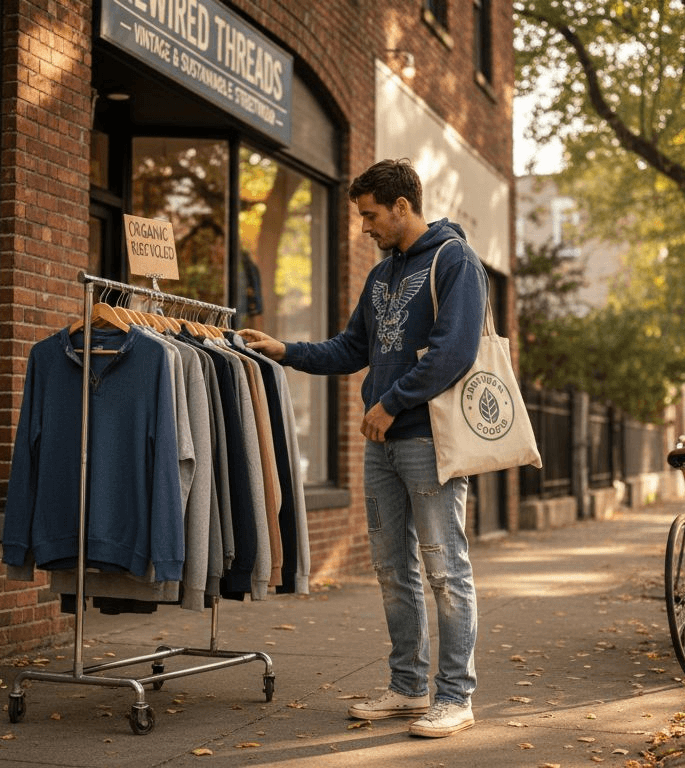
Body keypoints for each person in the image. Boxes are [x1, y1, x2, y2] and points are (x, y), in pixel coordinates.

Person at [240, 158, 487, 738]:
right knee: (391, 570)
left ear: (403, 206)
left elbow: (455, 352)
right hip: (383, 447)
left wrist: (392, 401)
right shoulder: (381, 277)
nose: (365, 227)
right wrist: (286, 350)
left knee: (445, 570)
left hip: (429, 440)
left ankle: (455, 696)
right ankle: (407, 688)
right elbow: (351, 349)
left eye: (372, 215)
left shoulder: (455, 261)